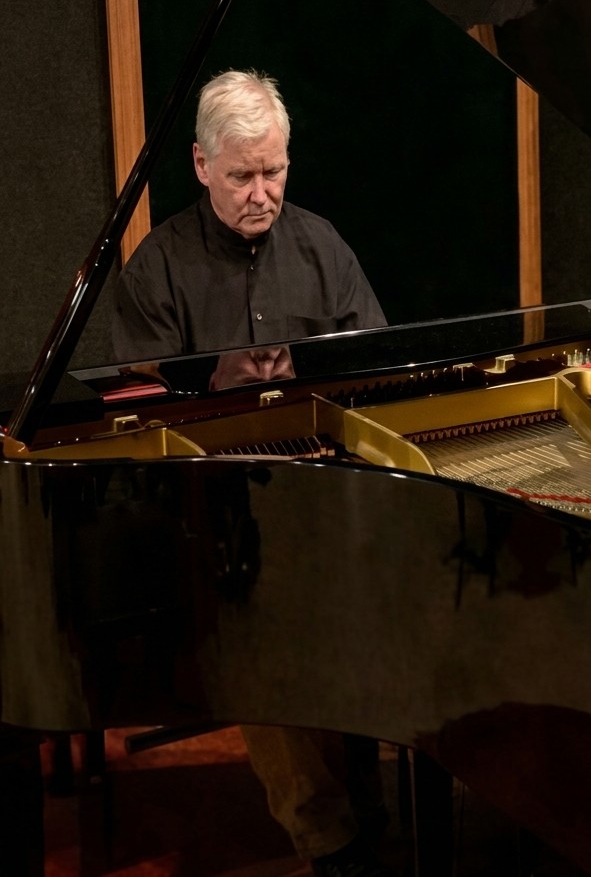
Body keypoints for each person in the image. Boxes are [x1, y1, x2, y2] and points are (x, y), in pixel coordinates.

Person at [113, 70, 393, 877]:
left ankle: (374, 800)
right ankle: (332, 839)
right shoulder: (158, 269)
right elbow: (145, 416)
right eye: (242, 176)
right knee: (260, 629)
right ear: (202, 166)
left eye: (274, 171)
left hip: (328, 494)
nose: (261, 192)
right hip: (213, 508)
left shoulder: (323, 245)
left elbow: (374, 372)